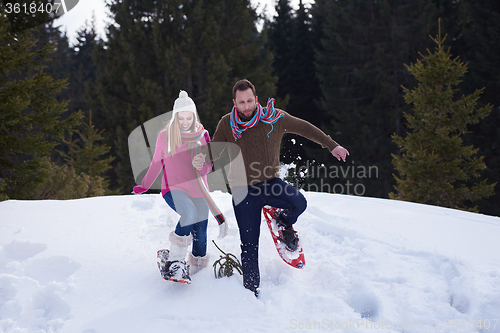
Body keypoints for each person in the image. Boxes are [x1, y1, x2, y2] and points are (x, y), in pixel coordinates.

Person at [192, 79, 349, 296]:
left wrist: (332, 145)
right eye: (241, 102)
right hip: (242, 192)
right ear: (234, 103)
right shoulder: (227, 123)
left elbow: (305, 128)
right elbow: (215, 149)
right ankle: (251, 290)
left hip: (271, 184)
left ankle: (283, 221)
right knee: (249, 244)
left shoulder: (274, 117)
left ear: (256, 99)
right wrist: (201, 158)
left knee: (299, 203)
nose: (246, 107)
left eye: (249, 101)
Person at [133, 90, 216, 283]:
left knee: (201, 232)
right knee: (189, 214)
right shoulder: (165, 137)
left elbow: (208, 166)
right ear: (175, 117)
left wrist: (201, 165)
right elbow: (156, 163)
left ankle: (197, 269)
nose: (185, 122)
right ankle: (175, 261)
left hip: (199, 190)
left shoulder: (202, 135)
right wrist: (145, 185)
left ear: (194, 116)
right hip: (174, 188)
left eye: (189, 118)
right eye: (181, 118)